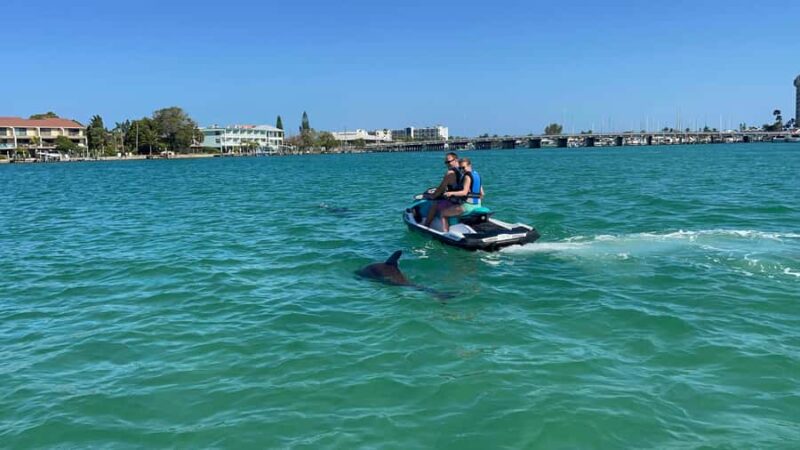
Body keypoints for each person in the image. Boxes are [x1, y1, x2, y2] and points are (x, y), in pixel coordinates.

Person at [440, 158, 483, 231]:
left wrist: (450, 193)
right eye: (460, 168)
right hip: (478, 205)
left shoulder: (467, 176)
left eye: (463, 167)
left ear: (469, 165)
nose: (462, 170)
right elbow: (482, 194)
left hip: (467, 207)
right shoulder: (477, 175)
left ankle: (445, 233)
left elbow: (464, 192)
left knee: (443, 213)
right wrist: (475, 203)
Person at [423, 152, 463, 227]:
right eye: (446, 162)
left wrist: (432, 196)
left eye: (449, 162)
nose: (447, 164)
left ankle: (426, 226)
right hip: (463, 200)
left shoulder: (450, 173)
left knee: (435, 205)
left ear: (456, 160)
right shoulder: (463, 170)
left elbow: (440, 190)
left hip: (456, 202)